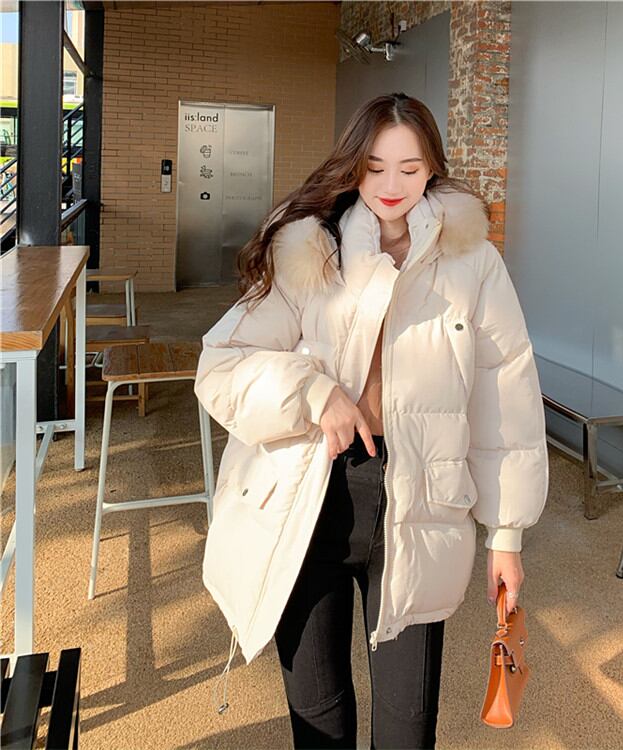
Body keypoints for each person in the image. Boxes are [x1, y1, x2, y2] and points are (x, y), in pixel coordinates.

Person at [194, 92, 548, 749]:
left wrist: (506, 534)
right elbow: (221, 364)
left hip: (422, 503)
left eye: (410, 168)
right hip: (309, 499)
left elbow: (507, 395)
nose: (391, 185)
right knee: (318, 716)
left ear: (433, 167)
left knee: (408, 727)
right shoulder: (312, 248)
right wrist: (311, 390)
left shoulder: (473, 262)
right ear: (353, 165)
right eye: (375, 166)